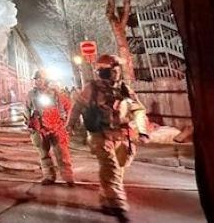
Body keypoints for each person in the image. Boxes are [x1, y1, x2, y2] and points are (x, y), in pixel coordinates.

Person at [67, 54, 149, 222]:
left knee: (119, 166)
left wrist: (142, 131)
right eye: (111, 70)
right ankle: (118, 204)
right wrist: (70, 124)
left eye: (116, 69)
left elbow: (138, 110)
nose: (115, 73)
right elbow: (78, 107)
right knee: (111, 168)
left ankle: (106, 198)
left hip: (121, 135)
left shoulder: (125, 89)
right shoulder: (92, 88)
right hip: (100, 135)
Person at [25, 69, 75, 186]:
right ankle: (48, 176)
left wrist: (67, 123)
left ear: (46, 80)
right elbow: (27, 109)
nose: (38, 81)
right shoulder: (31, 94)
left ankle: (68, 177)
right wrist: (29, 122)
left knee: (62, 153)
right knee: (43, 154)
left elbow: (69, 107)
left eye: (40, 79)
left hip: (57, 127)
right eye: (36, 79)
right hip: (40, 128)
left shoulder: (56, 93)